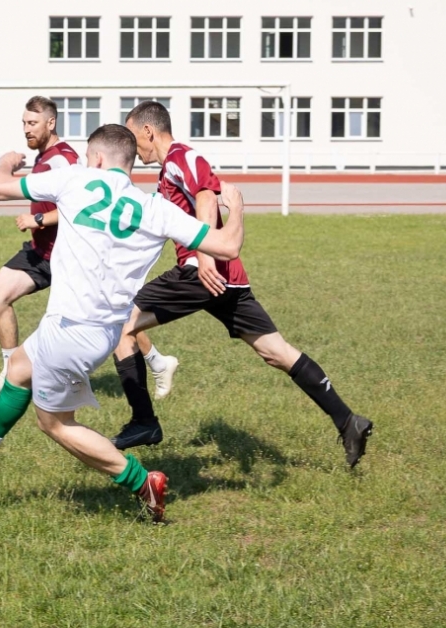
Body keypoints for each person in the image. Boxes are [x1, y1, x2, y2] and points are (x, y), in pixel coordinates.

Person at [0, 124, 246, 524]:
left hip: (70, 329)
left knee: (56, 425)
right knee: (21, 365)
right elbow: (228, 246)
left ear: (95, 158)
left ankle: (141, 481)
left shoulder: (76, 178)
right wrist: (237, 211)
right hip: (102, 330)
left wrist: (7, 162)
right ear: (130, 163)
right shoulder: (155, 208)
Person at [111, 100, 373, 468]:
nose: (135, 149)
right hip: (226, 279)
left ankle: (144, 422)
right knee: (276, 352)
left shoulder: (180, 159)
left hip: (199, 272)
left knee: (121, 326)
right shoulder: (172, 167)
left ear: (148, 131)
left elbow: (205, 195)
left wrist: (202, 256)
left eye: (134, 137)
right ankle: (349, 421)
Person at [0, 96, 178, 399]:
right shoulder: (44, 156)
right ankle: (9, 371)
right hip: (40, 253)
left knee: (110, 320)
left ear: (51, 123)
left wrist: (39, 217)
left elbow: (84, 202)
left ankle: (156, 361)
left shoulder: (64, 159)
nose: (26, 130)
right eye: (23, 123)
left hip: (74, 253)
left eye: (32, 123)